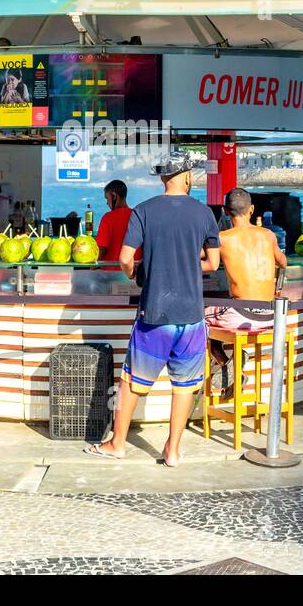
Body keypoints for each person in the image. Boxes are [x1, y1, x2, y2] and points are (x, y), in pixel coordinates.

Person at [85, 152, 220, 467]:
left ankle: (117, 443)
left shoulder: (143, 211)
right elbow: (212, 263)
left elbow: (123, 258)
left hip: (153, 313)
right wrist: (188, 264)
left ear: (163, 178)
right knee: (184, 385)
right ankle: (172, 451)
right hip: (191, 315)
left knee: (132, 382)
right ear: (186, 176)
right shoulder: (204, 214)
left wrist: (137, 273)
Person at [205, 187, 287, 333]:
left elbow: (194, 255)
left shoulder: (222, 238)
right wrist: (277, 285)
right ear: (252, 209)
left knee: (199, 317)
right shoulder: (268, 235)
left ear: (225, 210)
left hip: (241, 315)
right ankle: (229, 356)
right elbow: (283, 262)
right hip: (270, 314)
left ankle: (221, 356)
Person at [95, 179, 134, 266]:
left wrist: (91, 269)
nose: (106, 203)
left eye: (107, 198)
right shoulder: (137, 216)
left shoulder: (108, 218)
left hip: (110, 274)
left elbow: (101, 250)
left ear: (114, 196)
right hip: (133, 273)